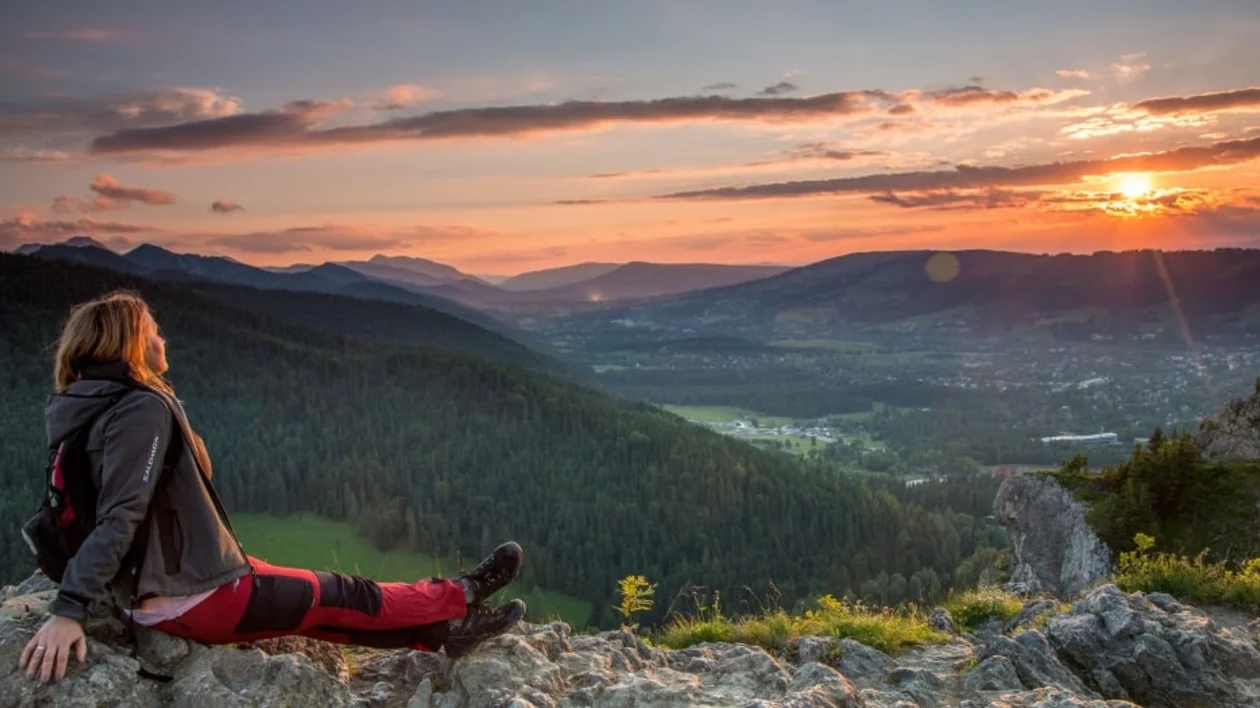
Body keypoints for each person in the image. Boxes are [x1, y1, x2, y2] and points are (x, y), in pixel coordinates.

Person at [19, 290, 527, 684]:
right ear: (130, 343)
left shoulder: (88, 406)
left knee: (317, 613)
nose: (163, 340)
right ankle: (460, 594)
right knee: (345, 593)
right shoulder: (139, 407)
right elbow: (121, 514)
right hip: (193, 593)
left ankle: (446, 633)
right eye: (154, 331)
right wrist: (69, 610)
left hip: (174, 585)